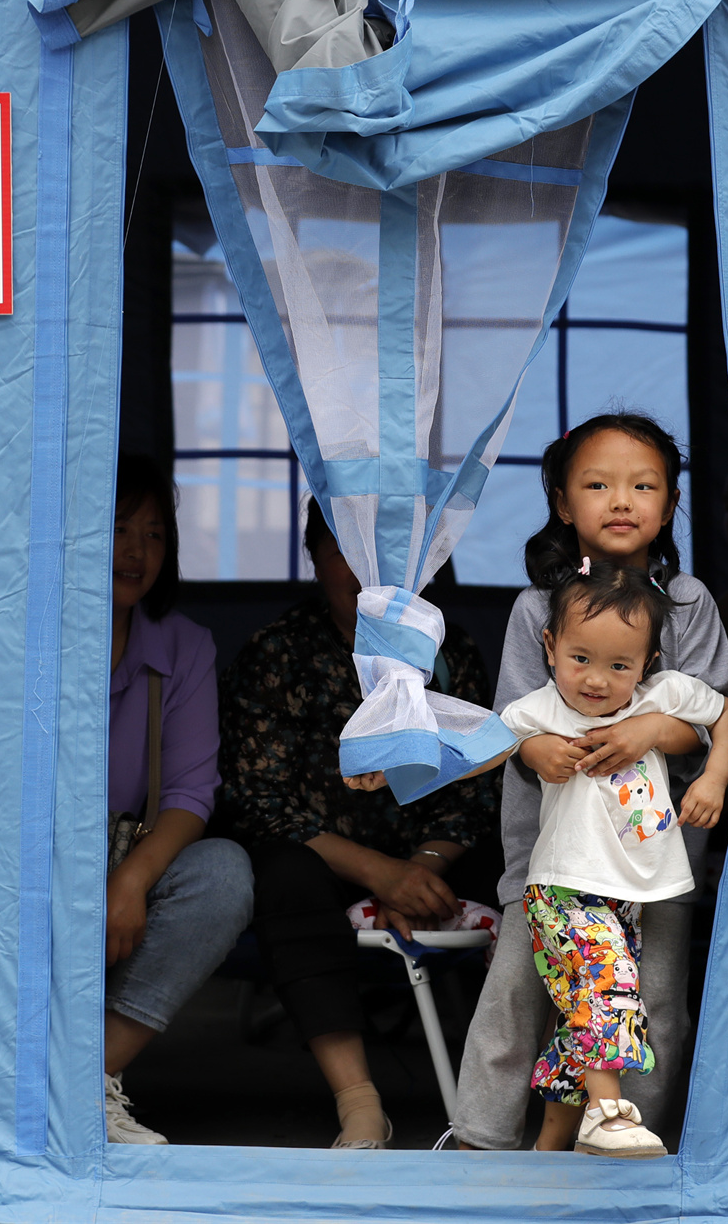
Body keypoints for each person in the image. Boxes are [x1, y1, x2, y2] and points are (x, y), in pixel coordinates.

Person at [454, 411, 728, 1152]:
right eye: (597, 485)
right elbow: (511, 726)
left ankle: (626, 1148)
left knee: (653, 1003)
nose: (621, 500)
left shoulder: (689, 603)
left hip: (654, 860)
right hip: (551, 857)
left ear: (669, 505)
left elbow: (710, 719)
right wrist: (538, 749)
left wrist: (649, 730)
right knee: (519, 993)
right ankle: (480, 1143)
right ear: (561, 501)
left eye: (643, 486)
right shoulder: (536, 608)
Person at [216, 498, 500, 1150]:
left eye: (389, 555)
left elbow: (477, 787)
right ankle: (360, 1103)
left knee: (529, 867)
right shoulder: (279, 652)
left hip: (435, 863)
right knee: (283, 875)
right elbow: (258, 799)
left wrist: (421, 869)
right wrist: (383, 875)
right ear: (313, 557)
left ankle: (528, 1091)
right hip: (325, 861)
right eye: (347, 549)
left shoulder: (448, 650)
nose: (370, 572)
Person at [500, 562, 728, 1156]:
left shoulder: (662, 696)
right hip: (561, 889)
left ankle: (551, 1150)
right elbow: (478, 747)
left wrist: (713, 778)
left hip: (625, 894)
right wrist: (531, 749)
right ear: (550, 646)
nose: (596, 681)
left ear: (648, 662)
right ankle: (607, 1115)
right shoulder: (537, 711)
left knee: (582, 1012)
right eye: (580, 658)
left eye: (619, 666)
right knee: (609, 988)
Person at [99, 453, 255, 1145]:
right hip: (31, 851)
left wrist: (132, 880)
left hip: (125, 850)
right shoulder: (30, 630)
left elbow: (192, 790)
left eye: (155, 534)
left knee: (222, 874)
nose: (137, 551)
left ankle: (86, 1081)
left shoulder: (184, 646)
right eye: (119, 528)